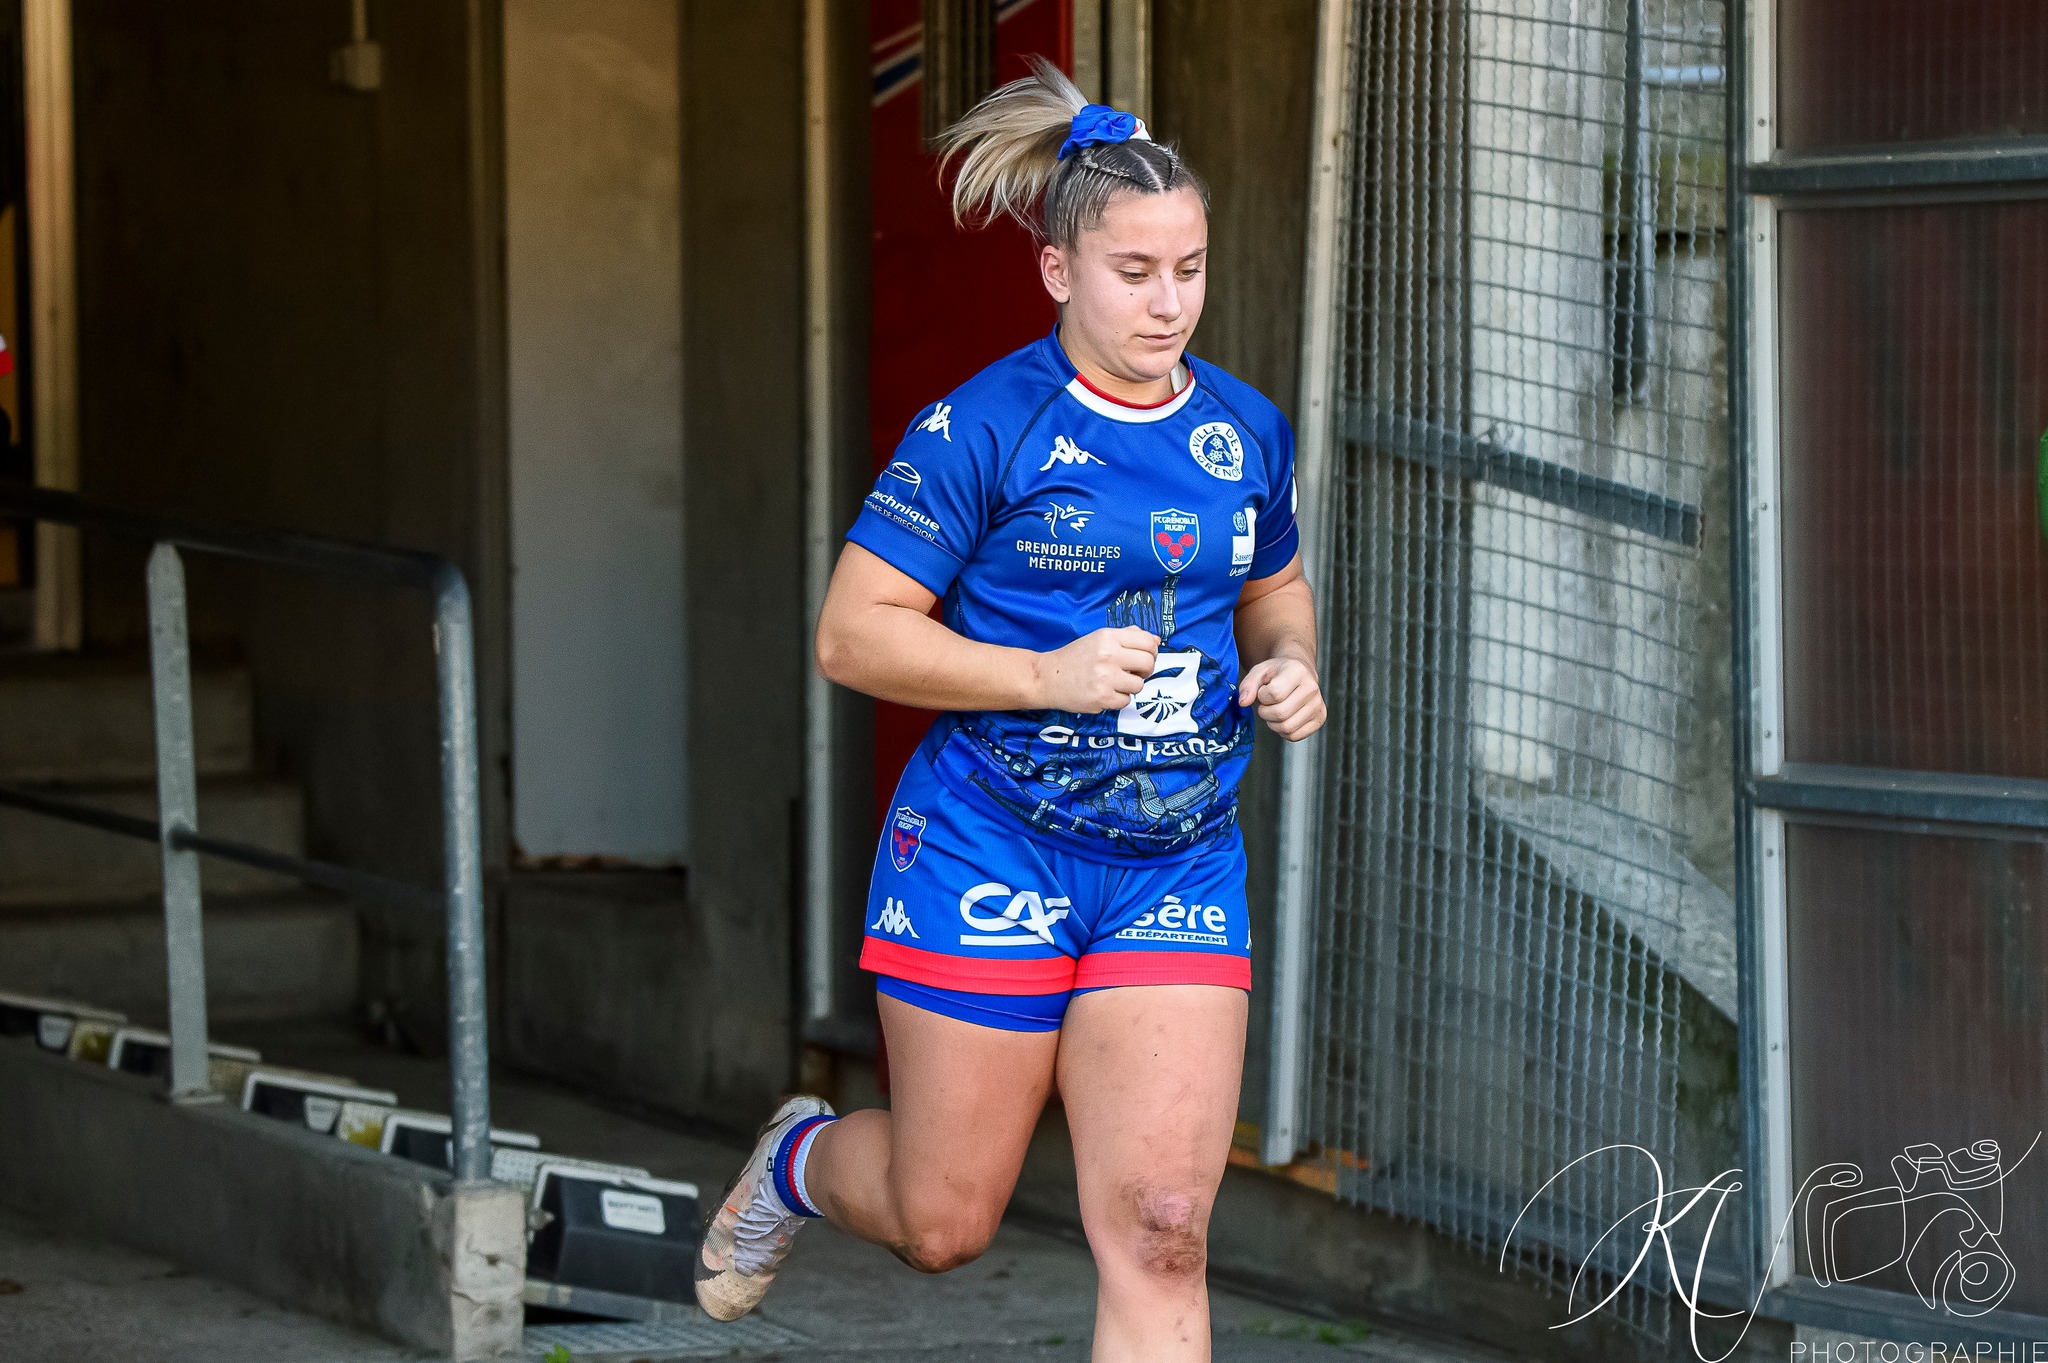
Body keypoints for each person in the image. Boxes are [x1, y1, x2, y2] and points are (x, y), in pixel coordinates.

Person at [696, 57, 1326, 1360]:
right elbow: (850, 635)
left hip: (1174, 860)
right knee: (945, 1222)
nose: (1170, 305)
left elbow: (1273, 587)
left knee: (1162, 1227)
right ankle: (805, 1163)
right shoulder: (980, 428)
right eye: (1134, 272)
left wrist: (1288, 661)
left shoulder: (1247, 430)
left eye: (1191, 269)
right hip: (990, 841)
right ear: (1058, 274)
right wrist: (1041, 678)